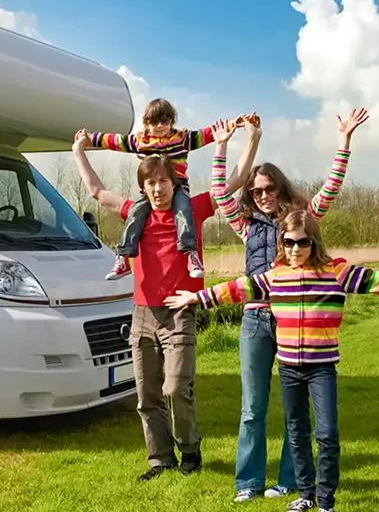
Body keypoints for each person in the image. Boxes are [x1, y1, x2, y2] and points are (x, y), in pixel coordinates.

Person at [165, 209, 379, 512]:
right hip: (289, 369)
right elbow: (237, 289)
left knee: (327, 435)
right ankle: (305, 494)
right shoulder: (275, 276)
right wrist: (197, 298)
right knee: (298, 433)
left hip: (322, 369)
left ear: (313, 241)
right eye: (288, 242)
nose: (294, 249)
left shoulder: (337, 273)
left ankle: (326, 505)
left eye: (301, 242)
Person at [70, 123, 259, 480]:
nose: (157, 189)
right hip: (141, 314)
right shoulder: (134, 216)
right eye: (151, 183)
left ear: (175, 184)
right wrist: (79, 151)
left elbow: (233, 181)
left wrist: (252, 141)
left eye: (163, 182)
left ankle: (190, 450)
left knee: (175, 388)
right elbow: (97, 191)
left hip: (179, 314)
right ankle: (159, 459)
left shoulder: (195, 210)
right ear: (144, 188)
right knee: (147, 395)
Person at [209, 108, 368, 503]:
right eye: (256, 191)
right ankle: (248, 483)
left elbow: (330, 188)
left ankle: (290, 480)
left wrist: (344, 141)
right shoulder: (244, 225)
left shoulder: (298, 224)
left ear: (280, 189)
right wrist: (226, 145)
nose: (263, 196)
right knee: (252, 407)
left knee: (293, 411)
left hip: (293, 321)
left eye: (269, 189)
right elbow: (218, 192)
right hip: (255, 321)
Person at [76, 98, 243, 282]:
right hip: (149, 193)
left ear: (172, 121)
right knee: (135, 214)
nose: (162, 126)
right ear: (147, 123)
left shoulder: (182, 139)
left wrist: (234, 123)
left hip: (178, 188)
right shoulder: (140, 142)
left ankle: (190, 254)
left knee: (183, 210)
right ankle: (123, 257)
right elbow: (116, 141)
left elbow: (208, 133)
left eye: (166, 121)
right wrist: (91, 138)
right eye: (156, 122)